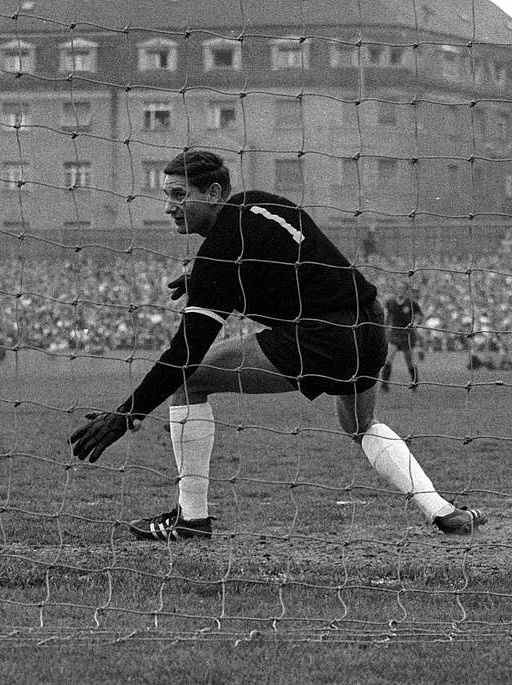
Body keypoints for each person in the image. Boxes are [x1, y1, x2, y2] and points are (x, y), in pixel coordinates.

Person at [69, 149, 486, 540]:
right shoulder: (263, 202)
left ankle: (191, 517)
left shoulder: (219, 257)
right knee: (361, 425)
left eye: (179, 195)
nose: (168, 207)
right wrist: (206, 279)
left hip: (319, 339)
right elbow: (286, 261)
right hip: (368, 326)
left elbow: (183, 353)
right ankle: (442, 511)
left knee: (190, 379)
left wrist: (128, 414)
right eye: (166, 195)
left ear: (213, 193)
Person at [380, 284, 424, 392]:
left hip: (407, 334)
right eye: (398, 288)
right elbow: (386, 315)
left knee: (409, 361)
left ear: (405, 290)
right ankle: (384, 385)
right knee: (388, 358)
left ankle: (415, 383)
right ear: (395, 290)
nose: (400, 290)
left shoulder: (411, 303)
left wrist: (416, 322)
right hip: (394, 333)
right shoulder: (390, 302)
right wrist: (384, 326)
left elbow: (420, 315)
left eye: (402, 289)